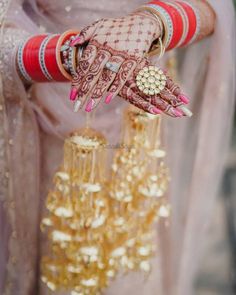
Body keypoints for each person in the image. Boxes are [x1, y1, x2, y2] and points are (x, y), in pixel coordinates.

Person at [0, 0, 235, 294]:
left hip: (141, 124)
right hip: (44, 126)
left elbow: (215, 6)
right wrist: (73, 57)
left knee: (134, 265)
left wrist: (151, 23)